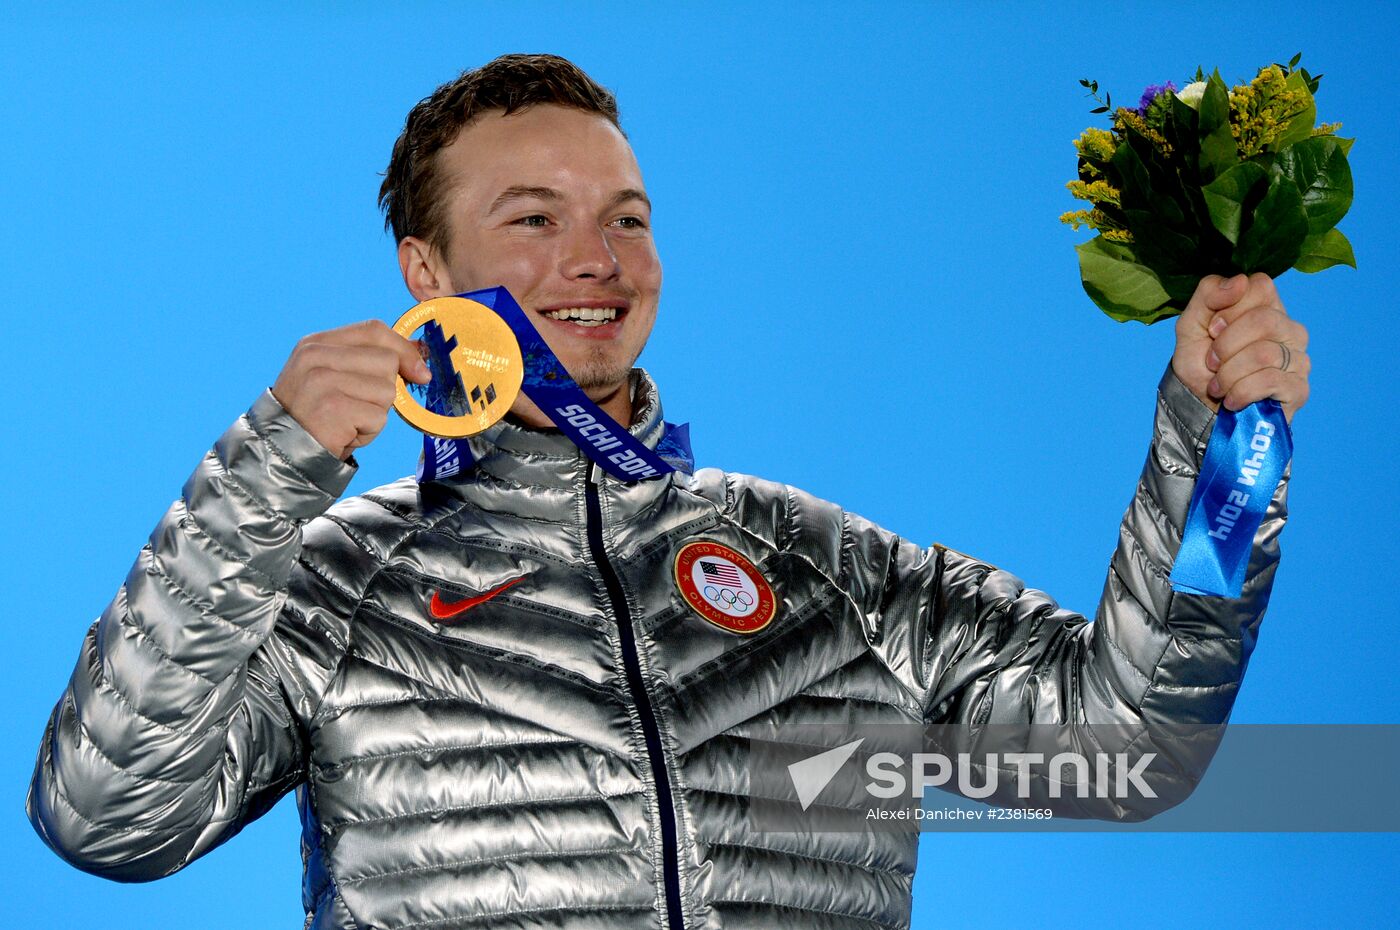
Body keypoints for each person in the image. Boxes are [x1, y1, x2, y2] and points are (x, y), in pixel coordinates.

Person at [27, 54, 1311, 930]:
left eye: (626, 218)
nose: (593, 258)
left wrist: (1219, 456)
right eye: (531, 219)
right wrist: (267, 469)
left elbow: (1125, 753)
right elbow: (106, 818)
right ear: (426, 269)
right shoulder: (342, 580)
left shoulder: (818, 562)